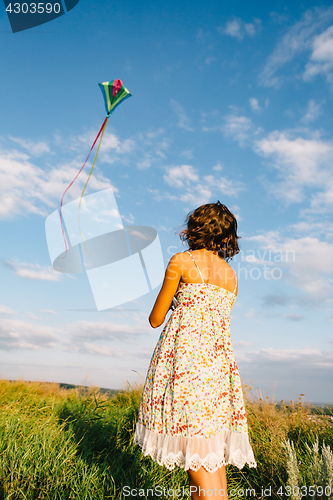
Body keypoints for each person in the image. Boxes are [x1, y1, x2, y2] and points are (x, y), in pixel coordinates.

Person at [134, 201, 257, 499]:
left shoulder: (181, 261)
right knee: (210, 458)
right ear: (228, 236)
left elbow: (155, 319)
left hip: (186, 365)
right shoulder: (231, 276)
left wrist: (178, 299)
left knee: (195, 454)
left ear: (194, 229)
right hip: (217, 369)